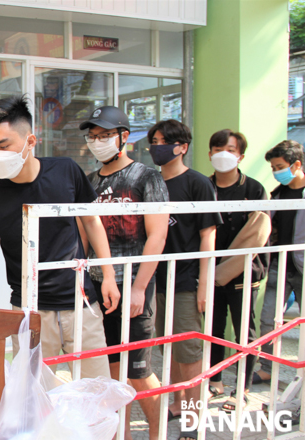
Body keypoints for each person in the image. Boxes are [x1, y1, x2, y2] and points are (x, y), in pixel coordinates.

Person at [0, 95, 120, 379]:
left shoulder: (66, 171)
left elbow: (91, 220)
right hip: (29, 311)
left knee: (96, 389)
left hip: (81, 302)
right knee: (37, 397)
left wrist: (108, 275)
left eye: (4, 146)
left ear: (30, 141)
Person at [81, 106, 169, 440]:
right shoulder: (89, 182)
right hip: (99, 289)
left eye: (104, 135)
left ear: (123, 137)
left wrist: (139, 288)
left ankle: (158, 432)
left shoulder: (147, 177)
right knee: (112, 372)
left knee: (139, 370)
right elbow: (83, 234)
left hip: (134, 287)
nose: (97, 142)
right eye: (92, 136)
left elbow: (157, 235)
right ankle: (122, 435)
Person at [147, 120, 221, 438]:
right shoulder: (150, 182)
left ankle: (193, 421)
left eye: (163, 141)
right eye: (153, 141)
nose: (156, 147)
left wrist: (204, 284)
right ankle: (177, 406)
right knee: (170, 349)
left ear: (182, 147)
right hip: (156, 281)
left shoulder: (198, 183)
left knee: (190, 354)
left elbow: (208, 235)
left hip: (187, 281)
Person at [205, 129, 269, 412]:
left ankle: (241, 388)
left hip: (244, 272)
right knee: (212, 328)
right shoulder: (203, 186)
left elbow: (258, 233)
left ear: (241, 155)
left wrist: (225, 270)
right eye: (218, 148)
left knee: (245, 330)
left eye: (230, 149)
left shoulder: (254, 189)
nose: (223, 154)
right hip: (207, 271)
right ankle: (214, 381)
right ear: (209, 154)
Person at [256, 140, 305, 385]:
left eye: (279, 166)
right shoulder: (277, 193)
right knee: (268, 319)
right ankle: (266, 367)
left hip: (302, 266)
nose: (276, 172)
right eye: (274, 167)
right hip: (280, 265)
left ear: (296, 164)